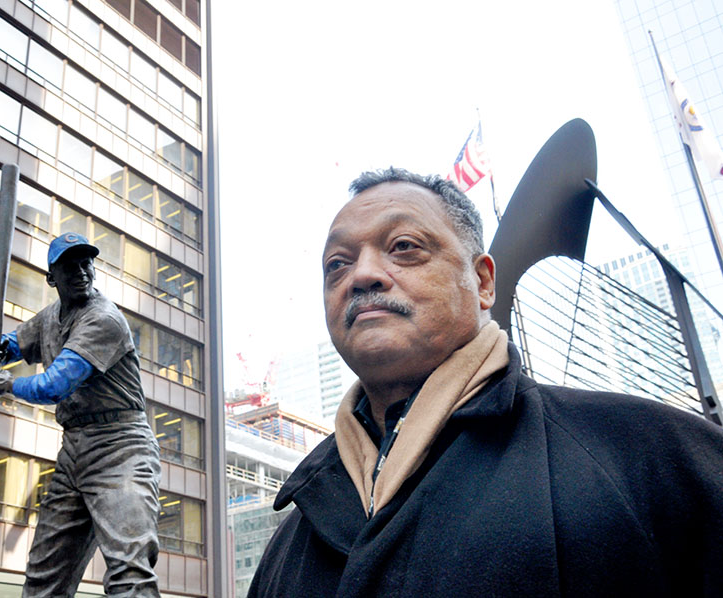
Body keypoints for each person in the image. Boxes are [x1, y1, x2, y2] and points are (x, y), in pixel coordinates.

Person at [247, 168, 723, 598]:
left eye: (404, 246)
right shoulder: (291, 535)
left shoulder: (653, 456)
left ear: (483, 282)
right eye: (337, 263)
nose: (363, 275)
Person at [0, 232, 161, 598]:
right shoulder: (51, 316)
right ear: (52, 278)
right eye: (70, 267)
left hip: (121, 448)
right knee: (43, 579)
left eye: (86, 264)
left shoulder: (103, 319)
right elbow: (14, 343)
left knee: (129, 572)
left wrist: (7, 384)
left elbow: (54, 385)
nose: (81, 272)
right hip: (74, 451)